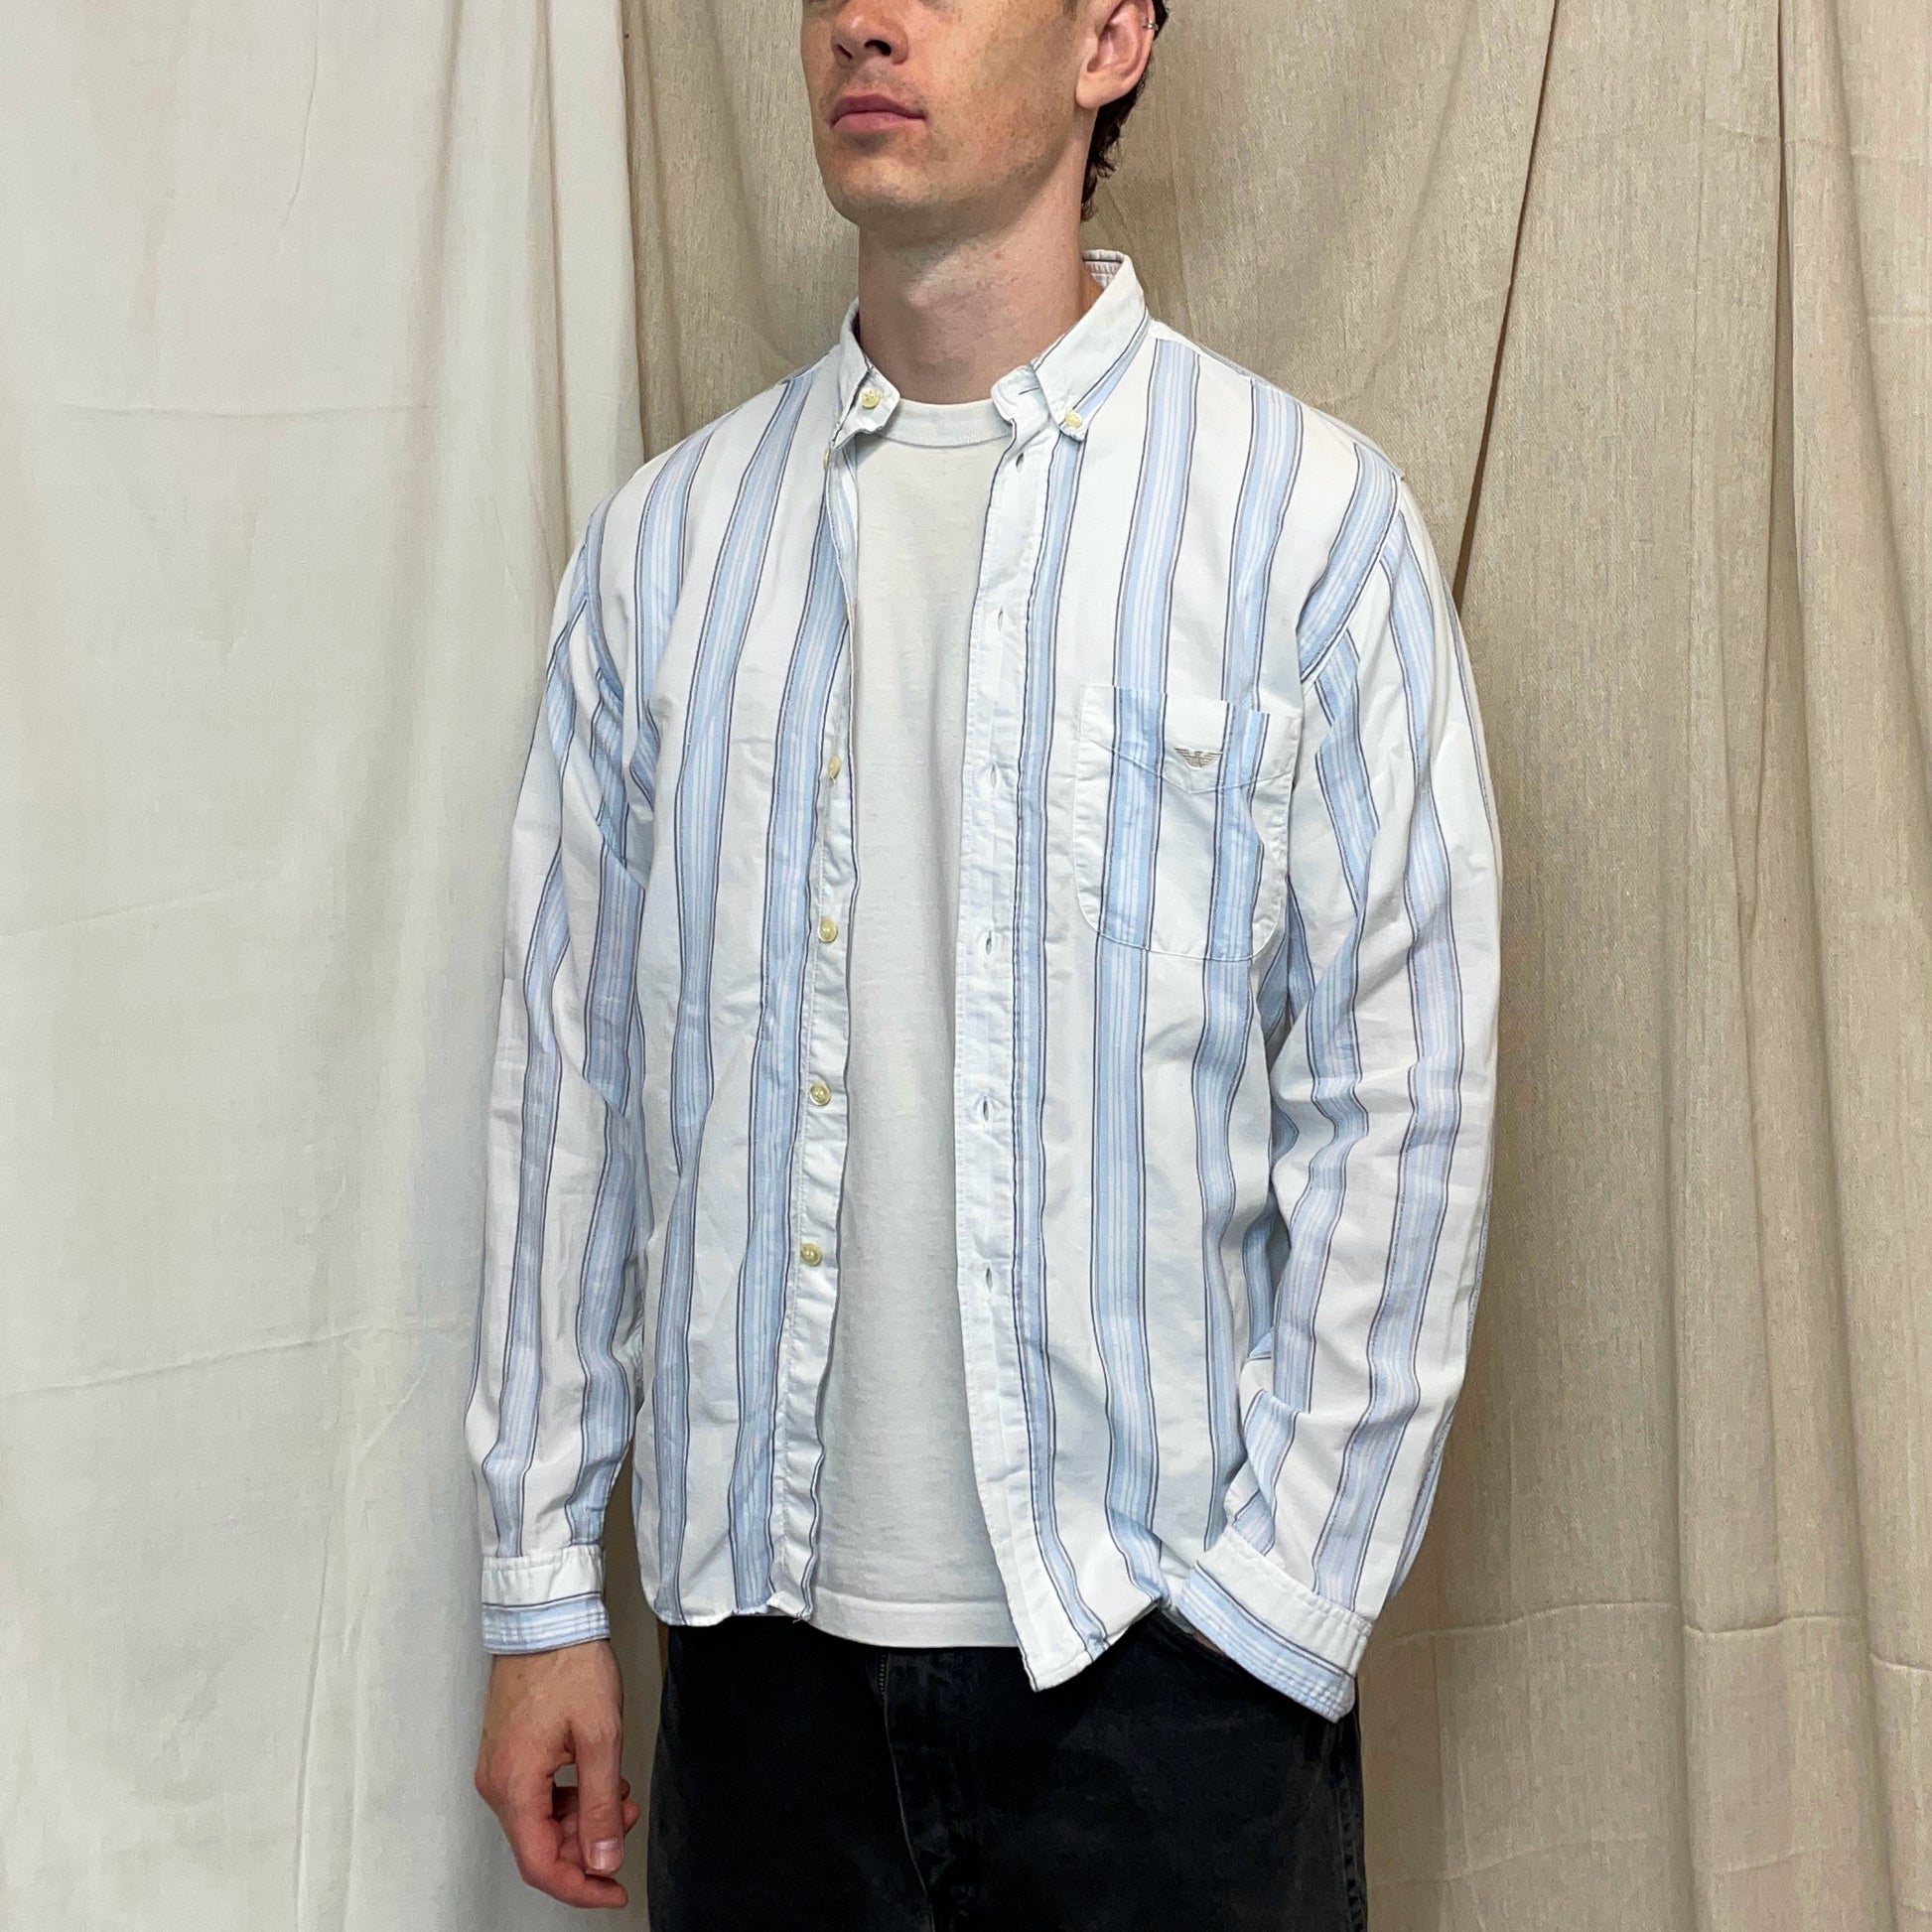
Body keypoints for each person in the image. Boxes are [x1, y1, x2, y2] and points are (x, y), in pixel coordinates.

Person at [465, 0, 1501, 1924]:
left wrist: (1277, 1616)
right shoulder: (660, 556)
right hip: (759, 1688)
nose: (862, 20)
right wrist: (539, 1593)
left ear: (1110, 36)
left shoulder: (1304, 532)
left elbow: (1404, 1111)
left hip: (1166, 1683)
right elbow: (570, 1090)